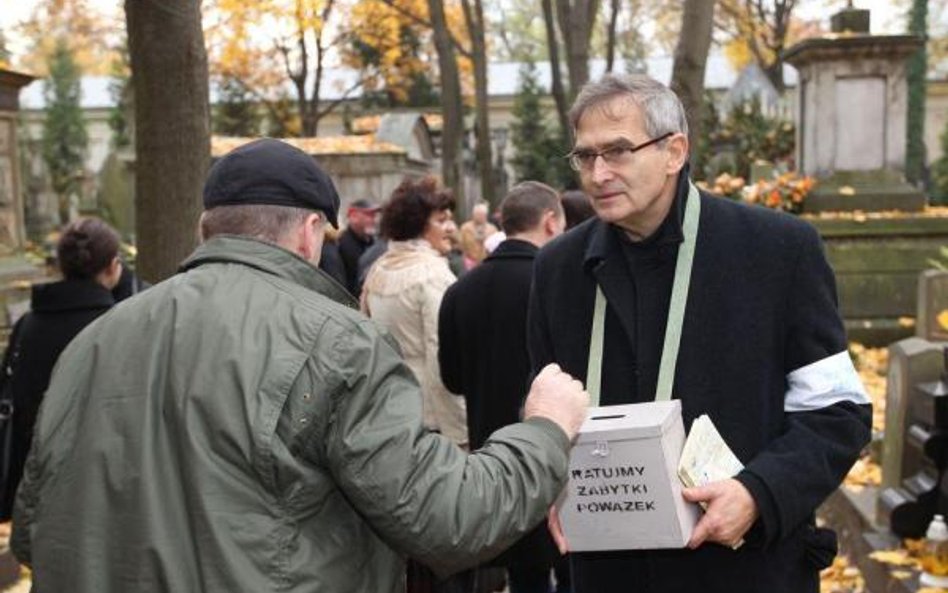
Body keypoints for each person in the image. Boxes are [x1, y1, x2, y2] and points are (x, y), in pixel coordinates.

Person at [11, 139, 590, 593]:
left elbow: (34, 532)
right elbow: (446, 517)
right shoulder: (337, 342)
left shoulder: (93, 341)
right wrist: (544, 431)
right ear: (313, 232)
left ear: (206, 228)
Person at [528, 74, 872, 593]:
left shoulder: (779, 250)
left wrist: (758, 493)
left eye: (618, 151)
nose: (598, 174)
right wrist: (549, 483)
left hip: (743, 570)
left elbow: (837, 412)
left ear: (674, 151)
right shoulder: (557, 268)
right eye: (585, 156)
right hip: (607, 572)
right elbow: (542, 405)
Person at [439, 181, 568, 593]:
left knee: (523, 571)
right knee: (569, 565)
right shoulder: (557, 283)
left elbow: (452, 379)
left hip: (492, 450)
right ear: (550, 222)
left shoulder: (459, 291)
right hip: (558, 451)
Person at [0, 218, 122, 520]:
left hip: (37, 484)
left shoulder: (27, 325)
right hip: (106, 485)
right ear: (112, 267)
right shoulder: (120, 325)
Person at [361, 177, 467, 446]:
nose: (452, 228)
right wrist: (459, 431)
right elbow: (439, 355)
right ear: (419, 224)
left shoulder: (380, 268)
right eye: (442, 220)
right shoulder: (431, 275)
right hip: (430, 415)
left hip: (389, 405)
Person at [338, 198, 380, 295]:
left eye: (374, 216)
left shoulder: (373, 242)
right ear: (353, 216)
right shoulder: (343, 245)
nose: (373, 220)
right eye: (369, 215)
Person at [459, 200, 498, 268]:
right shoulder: (465, 228)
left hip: (488, 262)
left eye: (483, 215)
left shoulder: (492, 229)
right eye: (478, 214)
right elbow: (460, 245)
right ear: (473, 215)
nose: (480, 217)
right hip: (469, 263)